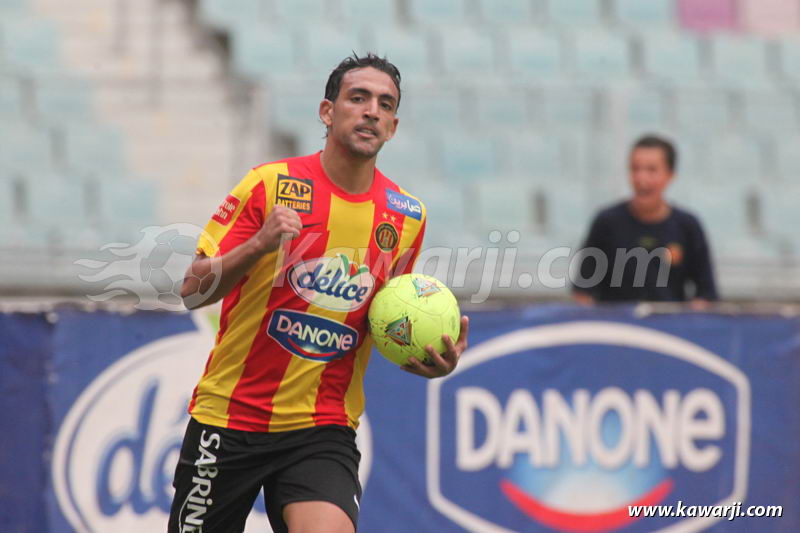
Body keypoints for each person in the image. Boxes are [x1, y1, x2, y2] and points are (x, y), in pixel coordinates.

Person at [168, 53, 469, 533]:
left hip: (321, 427)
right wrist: (259, 244)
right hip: (229, 419)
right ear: (327, 112)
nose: (371, 110)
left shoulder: (406, 215)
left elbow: (389, 317)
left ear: (393, 126)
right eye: (358, 97)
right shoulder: (270, 185)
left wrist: (431, 357)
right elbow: (191, 289)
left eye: (384, 104)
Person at [572, 134, 718, 305]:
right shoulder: (606, 223)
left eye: (651, 170)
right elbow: (583, 291)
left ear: (670, 175)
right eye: (635, 169)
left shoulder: (688, 226)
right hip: (616, 326)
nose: (642, 178)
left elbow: (706, 293)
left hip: (668, 326)